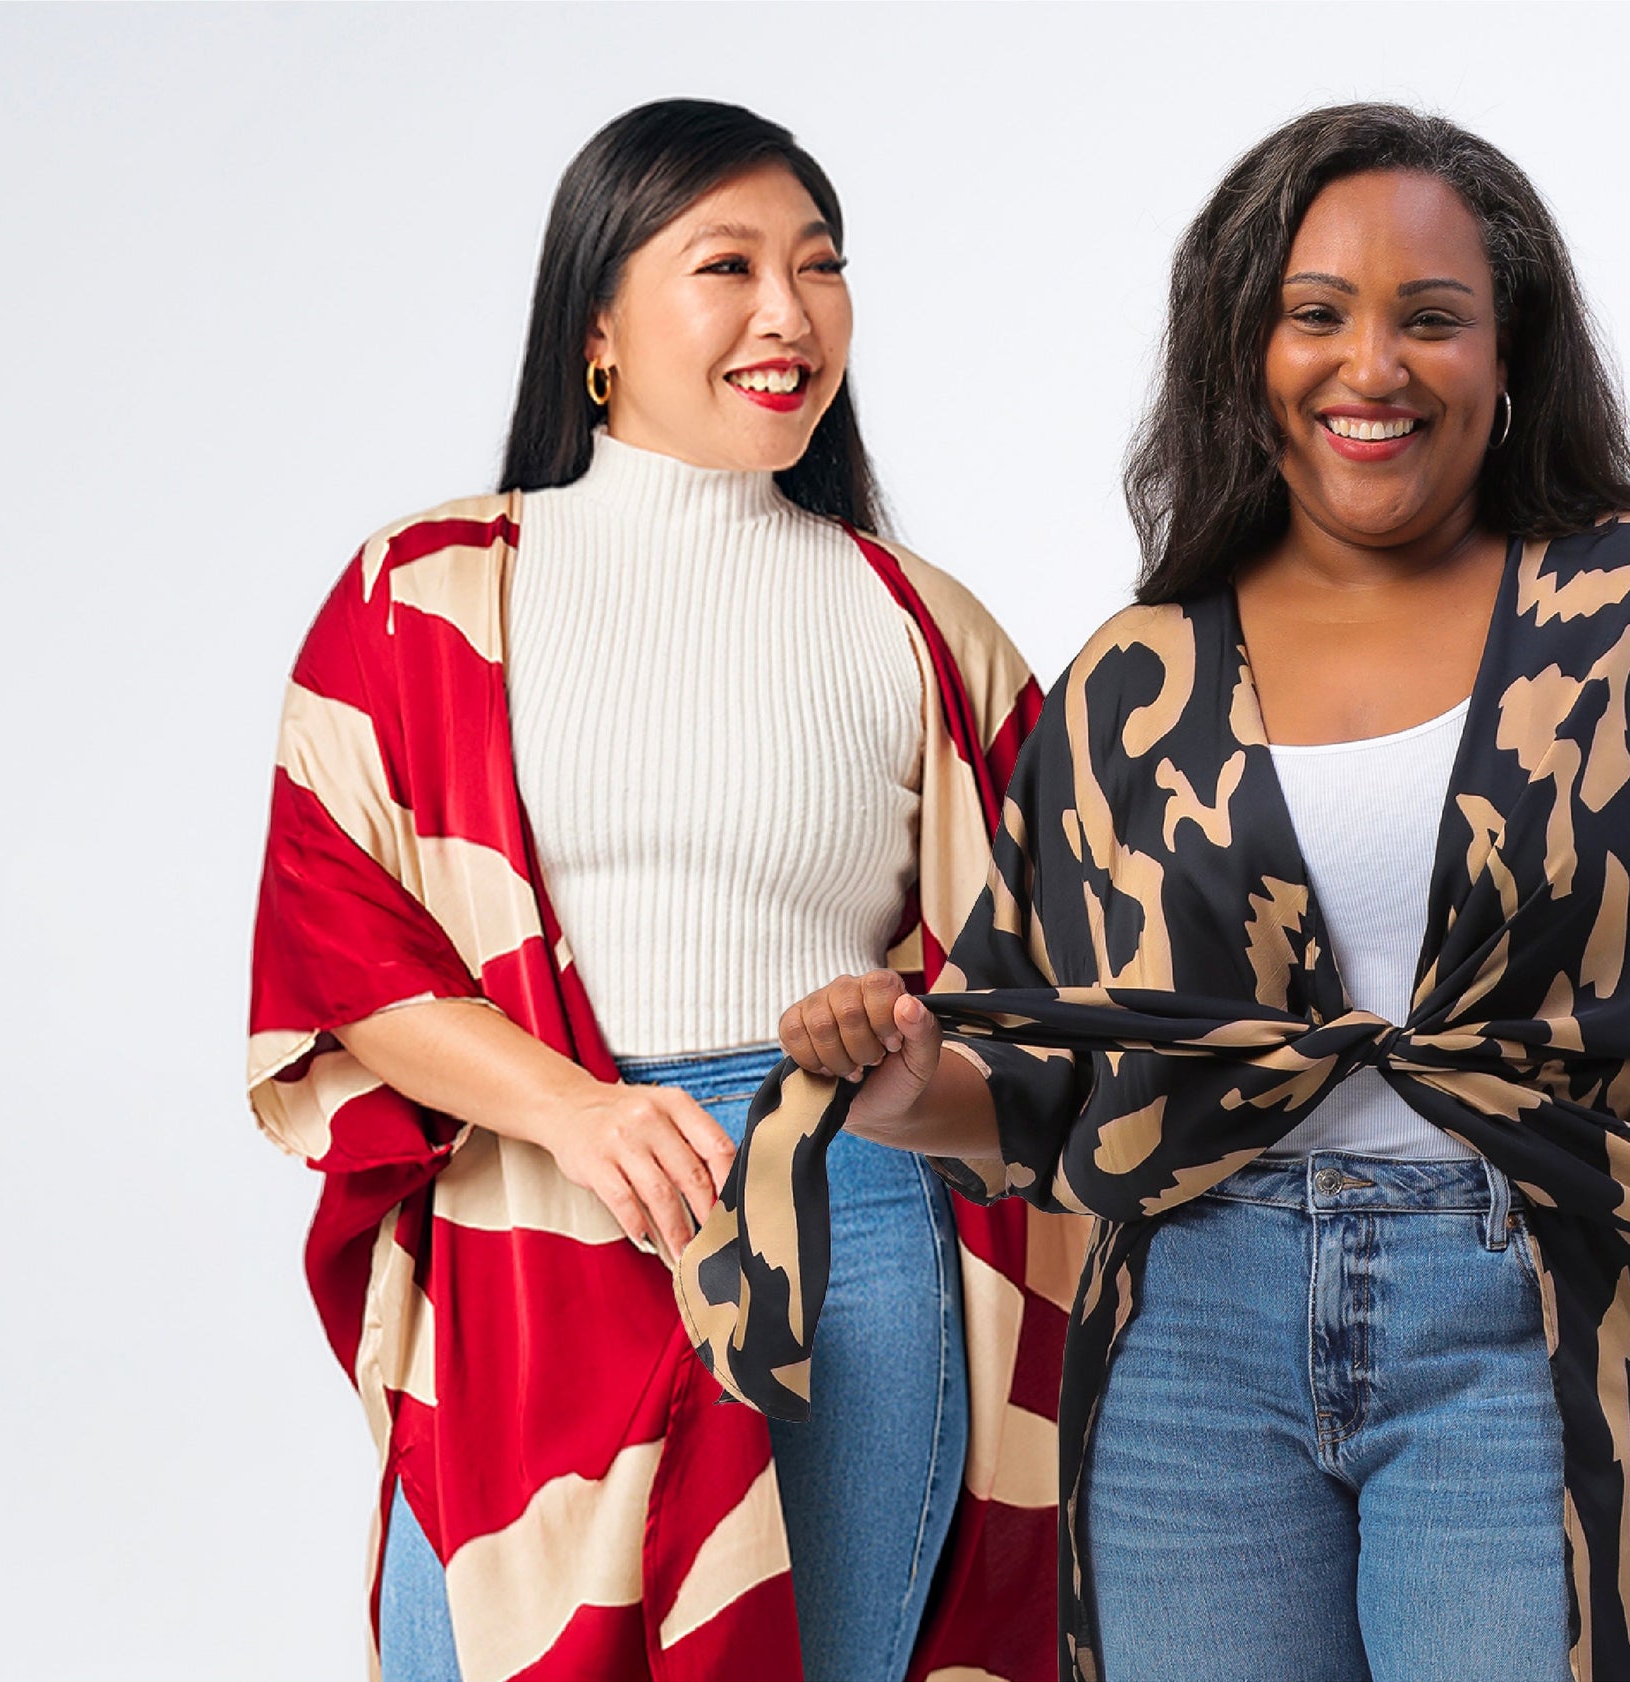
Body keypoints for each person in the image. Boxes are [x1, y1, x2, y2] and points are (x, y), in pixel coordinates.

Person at [687, 104, 1630, 1682]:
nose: (1374, 365)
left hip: (1530, 1316)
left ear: (1509, 351)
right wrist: (902, 1080)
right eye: (1316, 314)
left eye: (1433, 318)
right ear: (1240, 346)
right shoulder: (1138, 681)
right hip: (1189, 1326)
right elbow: (1043, 1105)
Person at [246, 98, 1070, 1682]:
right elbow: (339, 937)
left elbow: (1058, 995)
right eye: (729, 264)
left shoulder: (925, 626)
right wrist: (576, 1110)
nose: (790, 311)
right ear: (599, 329)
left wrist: (908, 1053)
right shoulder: (420, 595)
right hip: (532, 1212)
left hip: (848, 1221)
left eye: (821, 266)